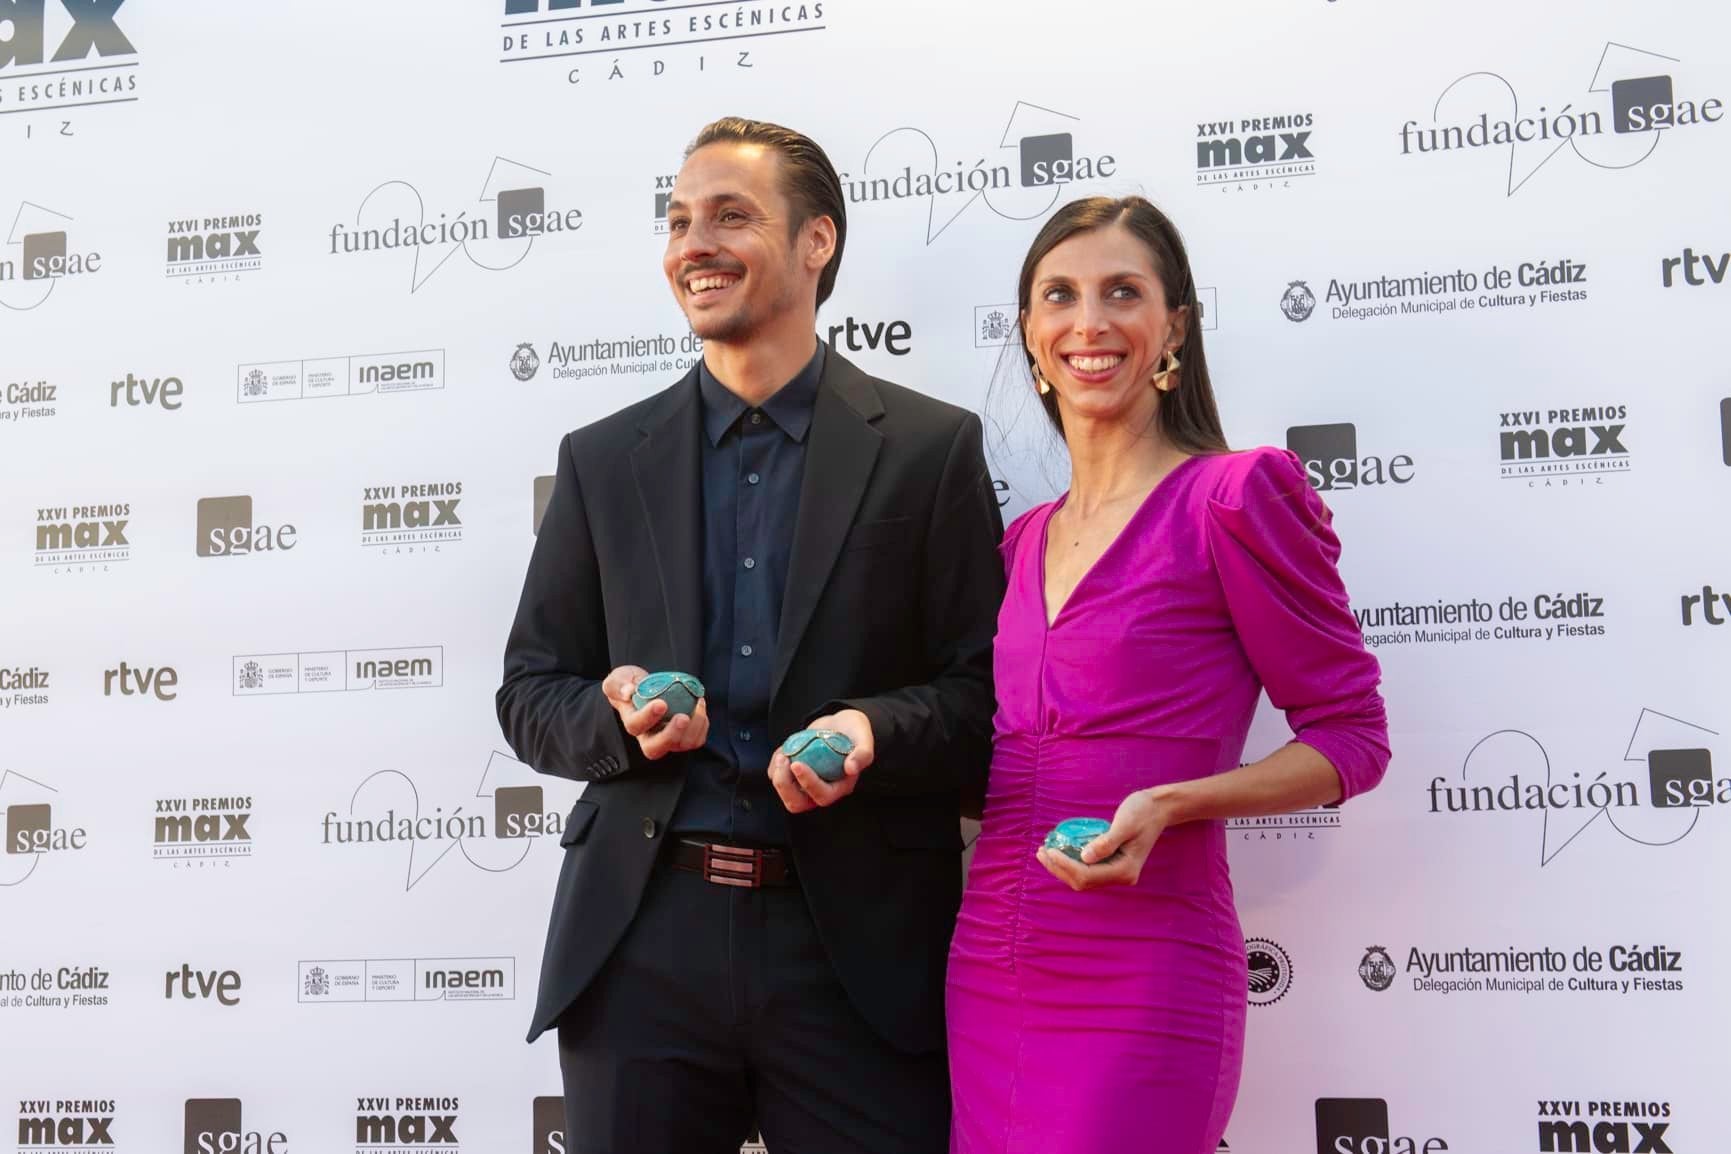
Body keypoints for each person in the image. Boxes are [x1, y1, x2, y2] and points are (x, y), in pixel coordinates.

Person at [497, 116, 1004, 1154]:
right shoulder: (602, 460)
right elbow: (529, 690)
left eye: (731, 214)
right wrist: (616, 716)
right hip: (643, 940)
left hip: (856, 948)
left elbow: (981, 696)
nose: (693, 243)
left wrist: (870, 729)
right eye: (679, 219)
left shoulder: (928, 448)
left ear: (818, 241)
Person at [945, 196, 1391, 1153]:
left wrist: (1172, 804)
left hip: (1144, 965)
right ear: (1028, 332)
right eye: (1058, 295)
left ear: (1173, 327)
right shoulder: (1019, 541)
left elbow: (1350, 739)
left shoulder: (1235, 496)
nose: (1089, 322)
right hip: (991, 957)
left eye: (1122, 292)